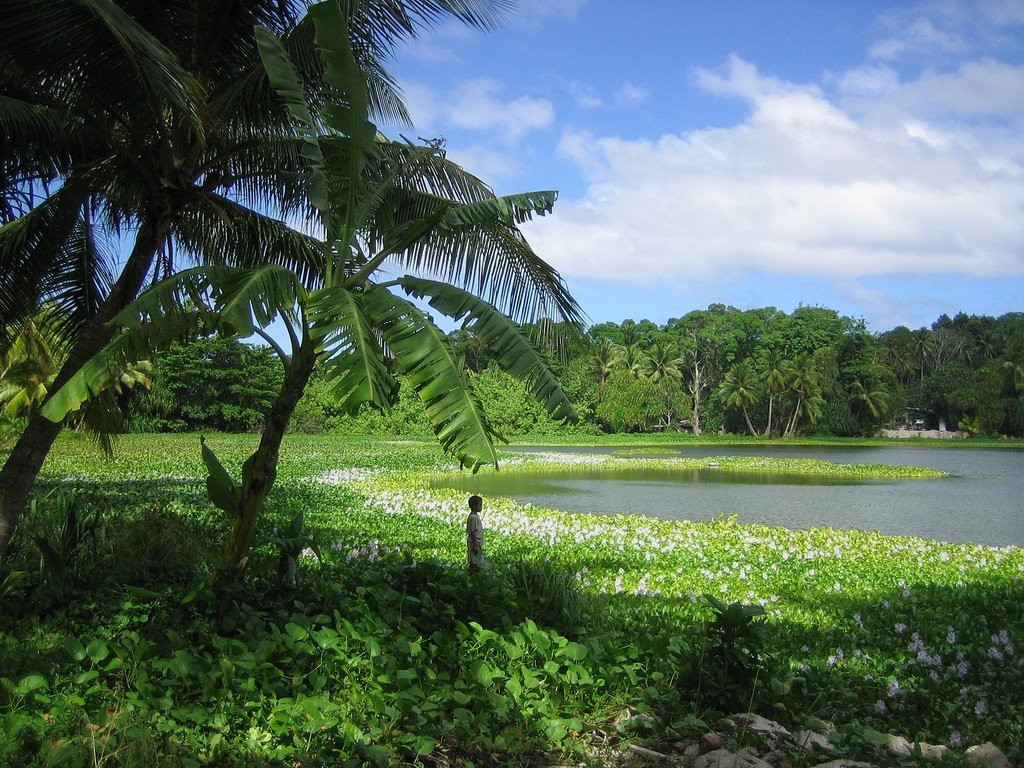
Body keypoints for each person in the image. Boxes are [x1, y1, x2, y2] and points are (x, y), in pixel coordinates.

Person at [466, 495, 484, 572]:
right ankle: (473, 576)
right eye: (480, 504)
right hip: (474, 543)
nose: (481, 506)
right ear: (474, 506)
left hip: (476, 543)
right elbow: (473, 532)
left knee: (476, 560)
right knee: (474, 562)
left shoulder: (473, 516)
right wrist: (475, 545)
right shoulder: (474, 517)